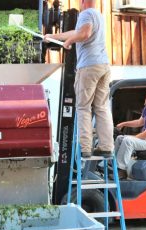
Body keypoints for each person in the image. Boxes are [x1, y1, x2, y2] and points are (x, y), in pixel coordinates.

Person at [44, 0, 113, 158]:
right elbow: (76, 32)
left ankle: (86, 149)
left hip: (88, 66)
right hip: (103, 66)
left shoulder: (86, 14)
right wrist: (53, 36)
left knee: (83, 107)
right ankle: (107, 147)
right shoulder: (99, 16)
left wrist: (69, 42)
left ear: (83, 2)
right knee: (101, 107)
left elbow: (84, 33)